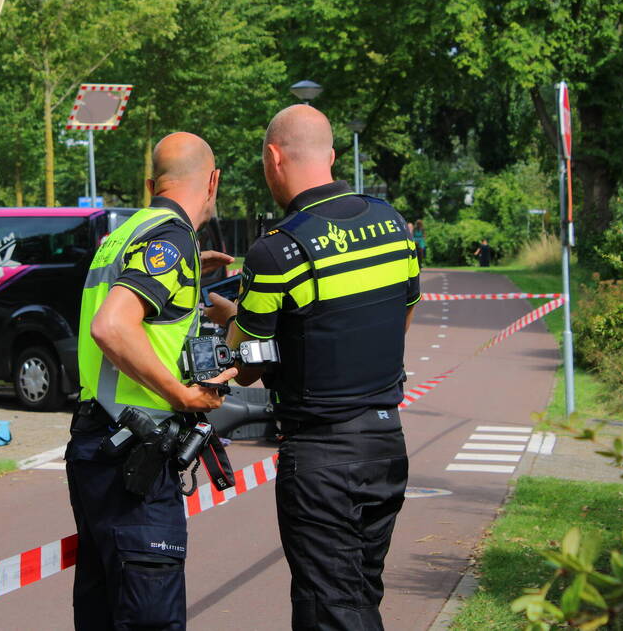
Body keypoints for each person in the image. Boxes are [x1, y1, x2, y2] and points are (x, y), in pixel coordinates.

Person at [205, 105, 420, 630]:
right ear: (330, 155)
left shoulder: (278, 252)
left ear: (273, 158)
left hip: (324, 458)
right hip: (387, 445)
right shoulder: (392, 223)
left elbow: (248, 364)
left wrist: (228, 314)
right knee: (360, 596)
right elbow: (404, 316)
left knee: (330, 611)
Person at [67, 131, 237, 631]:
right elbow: (112, 326)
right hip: (134, 456)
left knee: (102, 613)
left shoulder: (124, 233)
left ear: (150, 184)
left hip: (96, 444)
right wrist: (183, 393)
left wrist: (191, 276)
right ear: (213, 181)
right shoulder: (172, 237)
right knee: (148, 618)